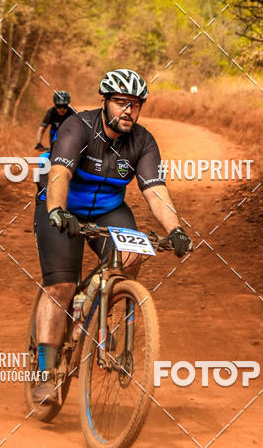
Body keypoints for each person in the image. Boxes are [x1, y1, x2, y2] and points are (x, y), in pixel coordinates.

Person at [32, 68, 192, 406]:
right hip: (63, 208)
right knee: (60, 286)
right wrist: (57, 210)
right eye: (121, 103)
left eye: (135, 105)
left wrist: (175, 230)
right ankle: (45, 374)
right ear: (104, 101)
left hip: (108, 209)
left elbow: (155, 190)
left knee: (133, 257)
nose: (128, 111)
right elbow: (60, 174)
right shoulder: (79, 126)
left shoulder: (143, 141)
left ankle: (102, 311)